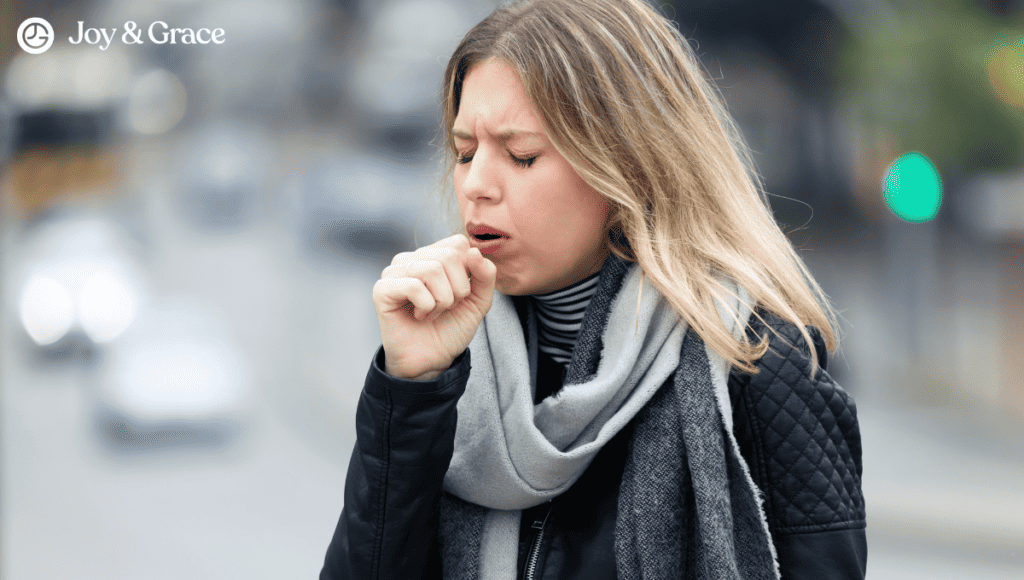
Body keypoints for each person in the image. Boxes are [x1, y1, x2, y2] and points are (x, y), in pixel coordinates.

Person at [320, 0, 866, 578]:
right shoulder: (448, 363)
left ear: (627, 163)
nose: (476, 184)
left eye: (522, 155)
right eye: (465, 152)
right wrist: (412, 390)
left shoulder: (760, 365)